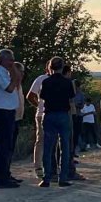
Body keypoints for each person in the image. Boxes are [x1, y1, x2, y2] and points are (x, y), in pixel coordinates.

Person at [0, 49, 22, 188]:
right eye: (10, 59)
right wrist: (14, 74)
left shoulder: (4, 72)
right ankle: (0, 178)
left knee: (5, 146)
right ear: (2, 60)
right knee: (3, 146)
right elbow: (10, 88)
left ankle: (3, 174)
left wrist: (13, 70)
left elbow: (18, 80)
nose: (12, 62)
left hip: (8, 112)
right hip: (2, 112)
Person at [39, 57, 76, 187]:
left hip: (49, 114)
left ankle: (46, 177)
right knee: (65, 147)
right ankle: (63, 177)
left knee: (48, 147)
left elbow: (42, 97)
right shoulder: (67, 83)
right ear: (62, 67)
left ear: (50, 67)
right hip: (63, 115)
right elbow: (71, 100)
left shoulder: (46, 82)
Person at [27, 64, 49, 177]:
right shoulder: (41, 79)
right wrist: (39, 106)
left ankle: (51, 166)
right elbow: (30, 95)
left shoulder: (59, 79)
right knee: (40, 140)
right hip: (42, 114)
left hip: (54, 113)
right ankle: (38, 167)